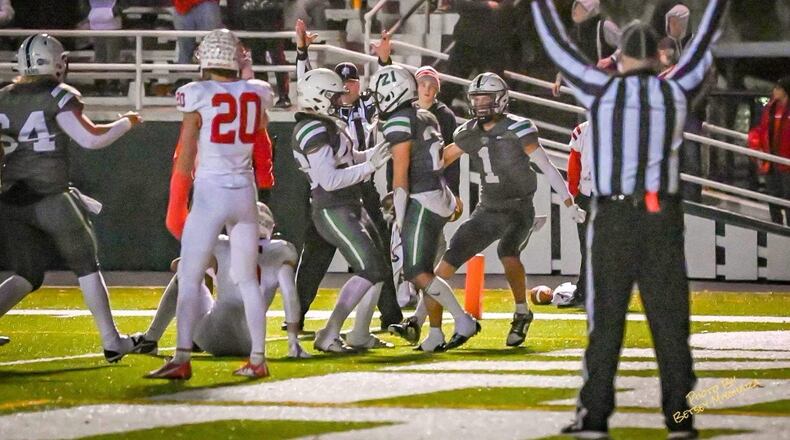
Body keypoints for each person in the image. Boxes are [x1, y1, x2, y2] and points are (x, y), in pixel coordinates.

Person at [532, 0, 729, 438]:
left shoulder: (601, 89)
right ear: (660, 56)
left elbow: (556, 45)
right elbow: (708, 37)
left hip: (614, 214)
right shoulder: (674, 89)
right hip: (662, 213)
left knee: (605, 322)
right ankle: (681, 420)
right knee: (670, 322)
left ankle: (595, 417)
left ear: (619, 58)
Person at [0, 34, 144, 359]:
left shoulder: (4, 98)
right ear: (55, 62)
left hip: (10, 199)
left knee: (27, 272)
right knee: (86, 264)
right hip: (50, 196)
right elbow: (91, 139)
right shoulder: (57, 95)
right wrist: (126, 122)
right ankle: (112, 341)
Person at [146, 29, 274, 380]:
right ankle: (259, 358)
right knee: (248, 279)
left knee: (189, 277)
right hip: (245, 193)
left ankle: (182, 357)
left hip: (210, 192)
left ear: (204, 59)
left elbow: (186, 151)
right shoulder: (258, 92)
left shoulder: (196, 93)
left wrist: (177, 196)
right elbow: (261, 134)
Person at [435, 73, 586, 350]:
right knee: (445, 264)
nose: (480, 104)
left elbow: (547, 166)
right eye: (476, 98)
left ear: (501, 100)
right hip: (487, 208)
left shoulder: (519, 129)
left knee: (508, 252)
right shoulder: (469, 132)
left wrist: (568, 202)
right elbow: (444, 158)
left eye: (486, 98)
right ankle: (421, 323)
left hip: (518, 208)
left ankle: (521, 311)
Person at [292, 20, 402, 334]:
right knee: (318, 256)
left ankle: (388, 316)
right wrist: (302, 52)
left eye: (349, 83)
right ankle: (301, 318)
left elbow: (386, 88)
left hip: (358, 191)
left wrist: (384, 61)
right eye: (339, 86)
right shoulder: (320, 119)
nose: (344, 90)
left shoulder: (361, 106)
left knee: (376, 257)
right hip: (331, 192)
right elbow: (309, 83)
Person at [370, 65, 475, 352]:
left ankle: (462, 320)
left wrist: (400, 221)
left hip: (423, 199)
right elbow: (437, 159)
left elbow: (401, 176)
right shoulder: (425, 116)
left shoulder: (399, 122)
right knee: (427, 273)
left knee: (417, 273)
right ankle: (436, 333)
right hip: (438, 194)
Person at [134, 203, 310, 359]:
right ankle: (293, 346)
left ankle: (150, 339)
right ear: (270, 228)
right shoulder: (282, 250)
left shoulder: (221, 244)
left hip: (210, 337)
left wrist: (211, 265)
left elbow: (178, 266)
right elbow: (289, 293)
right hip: (249, 343)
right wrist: (292, 341)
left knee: (184, 276)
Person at [552, 0, 620, 96]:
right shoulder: (576, 33)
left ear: (590, 11)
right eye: (575, 8)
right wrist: (559, 79)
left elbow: (629, 46)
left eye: (580, 9)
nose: (575, 12)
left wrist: (611, 59)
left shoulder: (605, 27)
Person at [559, 121, 593, 309]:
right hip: (588, 194)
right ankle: (586, 292)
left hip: (615, 196)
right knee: (587, 247)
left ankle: (604, 293)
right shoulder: (583, 130)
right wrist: (575, 194)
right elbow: (574, 163)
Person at [749, 76, 790, 226]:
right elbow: (762, 129)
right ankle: (776, 227)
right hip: (771, 160)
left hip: (786, 163)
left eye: (778, 88)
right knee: (773, 197)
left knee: (787, 197)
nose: (774, 91)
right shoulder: (771, 108)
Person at [237, 0, 292, 108]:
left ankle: (283, 96)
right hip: (250, 10)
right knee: (258, 55)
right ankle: (262, 95)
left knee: (276, 55)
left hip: (271, 10)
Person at [171, 0, 222, 65]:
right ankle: (184, 70)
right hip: (181, 5)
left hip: (208, 3)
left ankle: (212, 69)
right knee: (184, 48)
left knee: (211, 45)